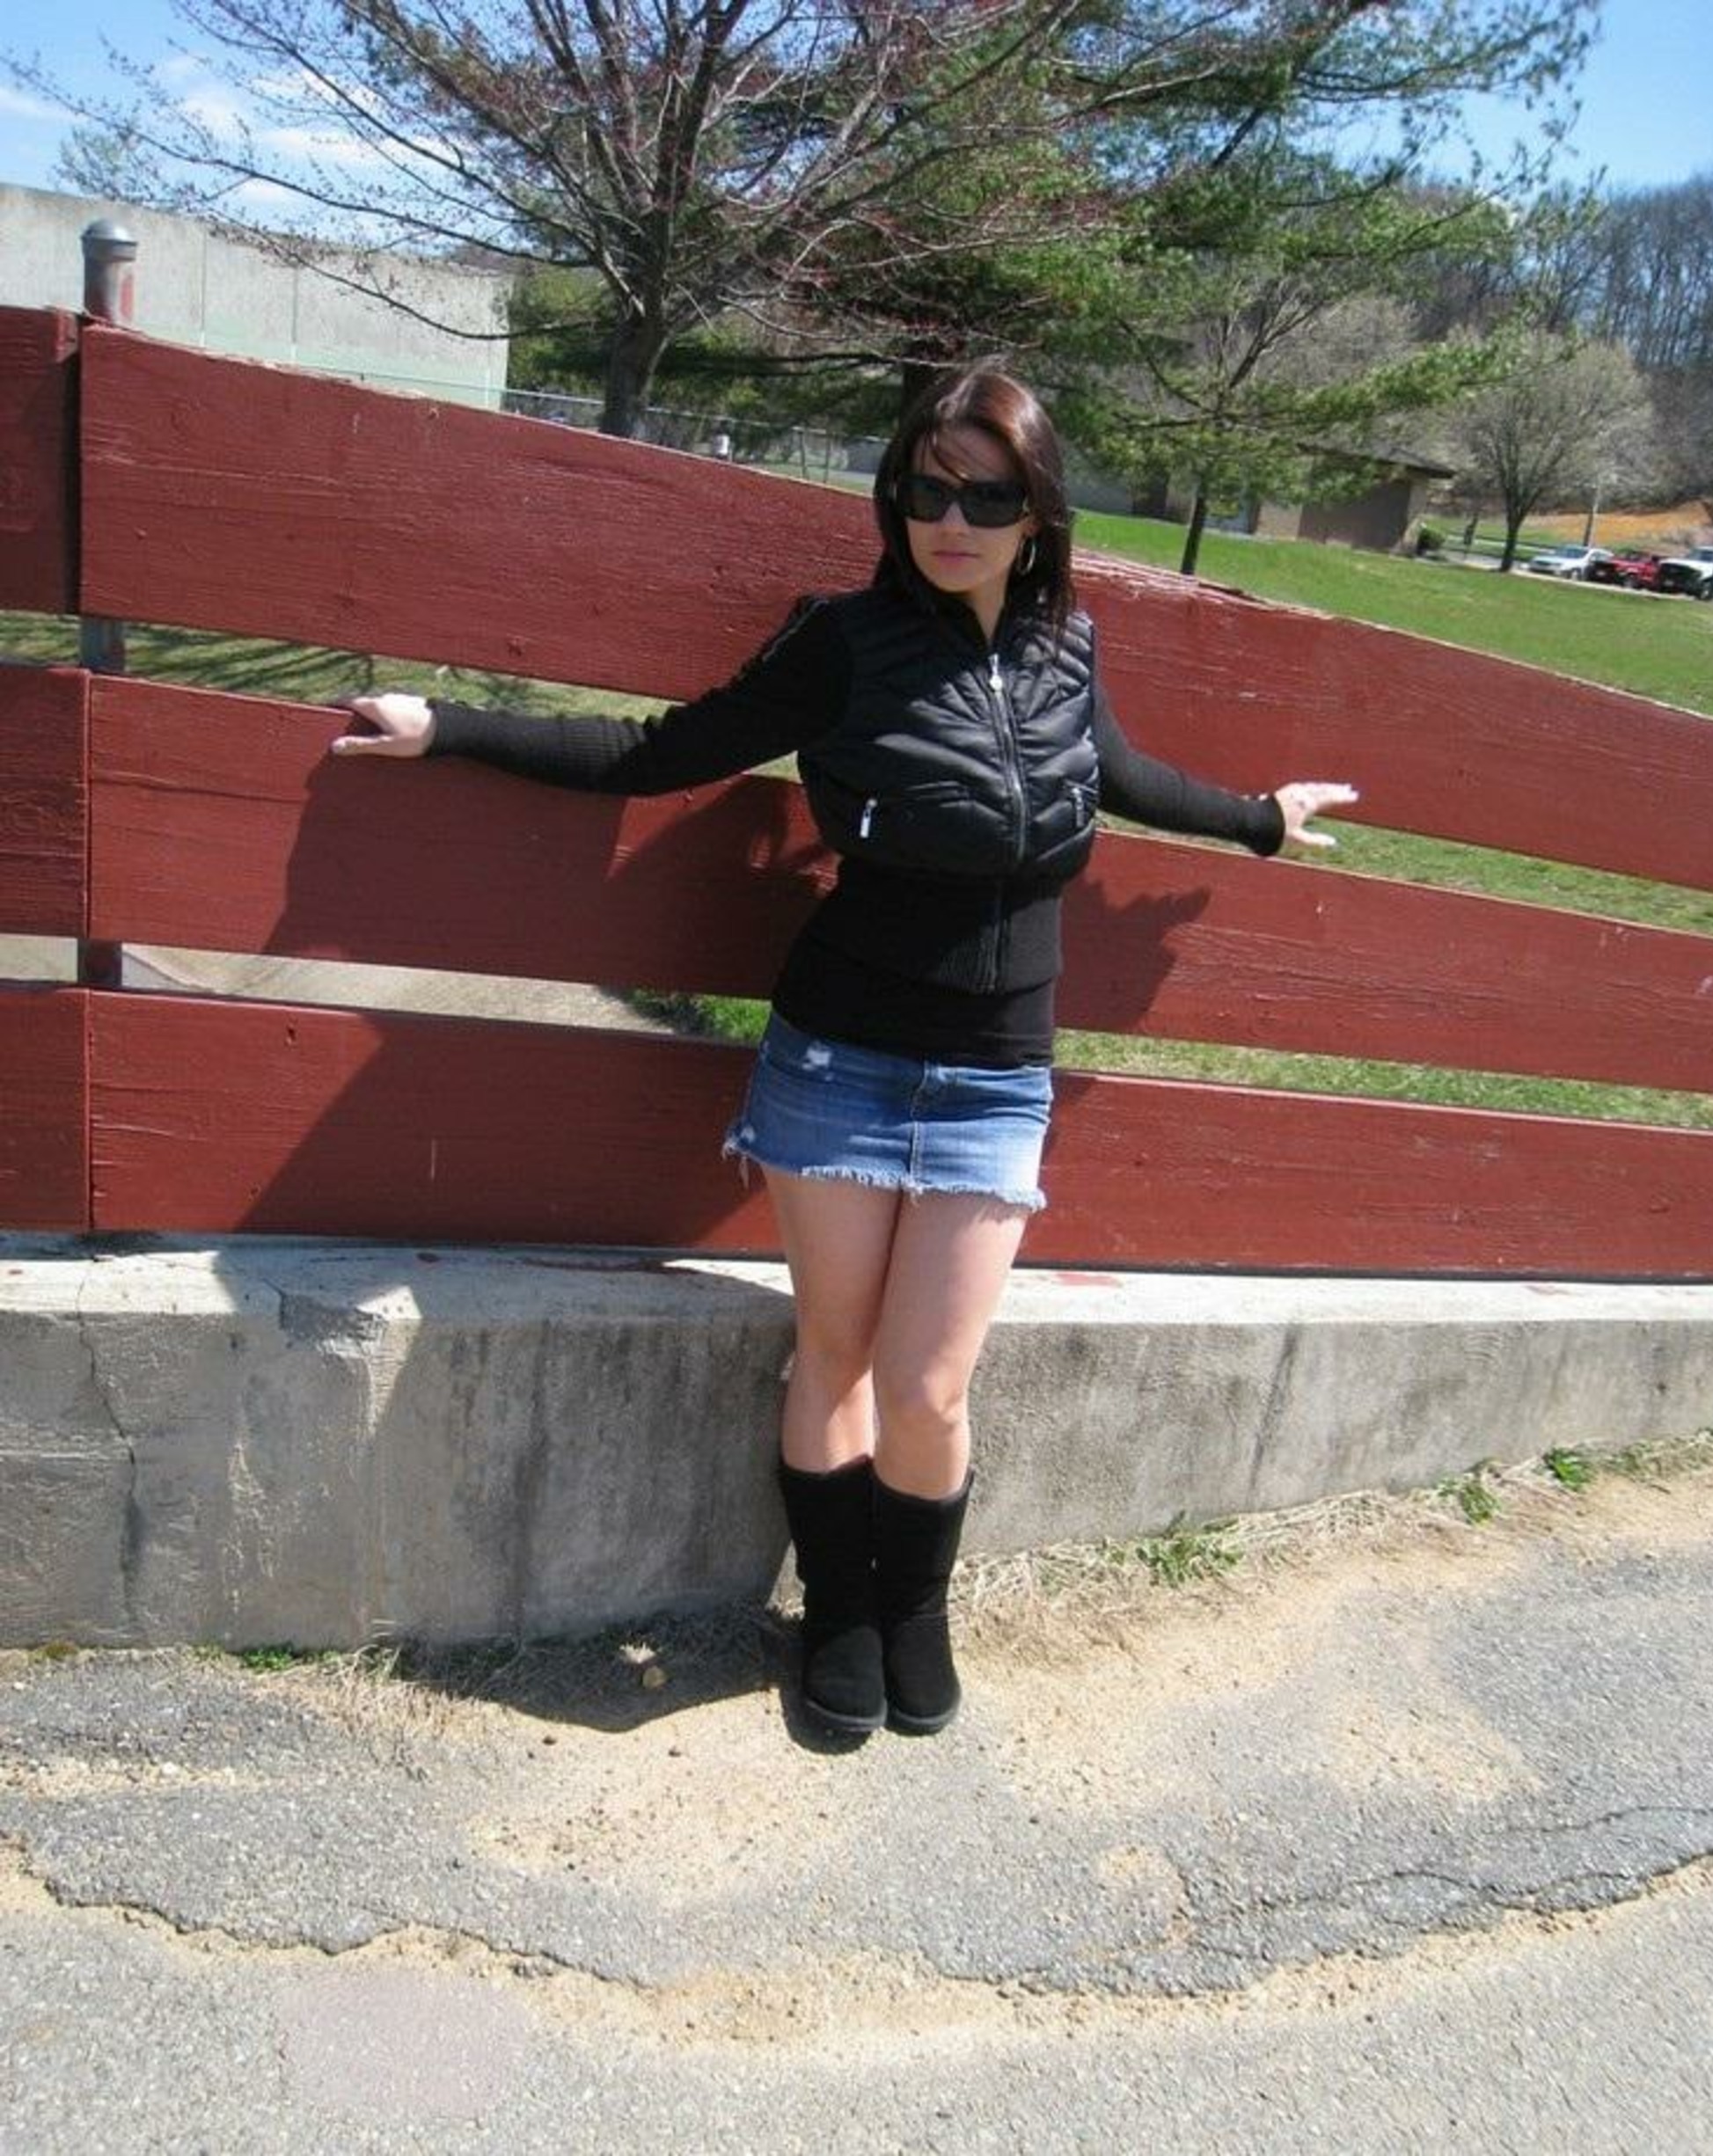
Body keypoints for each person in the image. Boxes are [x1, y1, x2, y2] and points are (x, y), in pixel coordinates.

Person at [331, 365, 1356, 1741]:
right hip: (841, 1065)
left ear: (1038, 513)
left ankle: (914, 1607)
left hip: (994, 1079)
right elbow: (655, 753)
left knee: (931, 1386)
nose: (951, 521)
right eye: (927, 491)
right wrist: (450, 729)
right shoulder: (843, 643)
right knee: (837, 1356)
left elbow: (1116, 772)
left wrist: (1257, 819)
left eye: (986, 496)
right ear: (895, 497)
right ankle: (841, 1611)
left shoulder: (1067, 646)